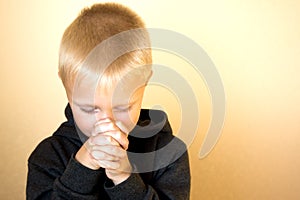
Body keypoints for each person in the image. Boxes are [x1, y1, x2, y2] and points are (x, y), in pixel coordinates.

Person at [26, 2, 190, 200]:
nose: (107, 124)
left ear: (145, 83)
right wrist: (82, 169)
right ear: (67, 90)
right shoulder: (48, 156)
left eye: (122, 108)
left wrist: (126, 178)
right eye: (89, 109)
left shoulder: (169, 154)